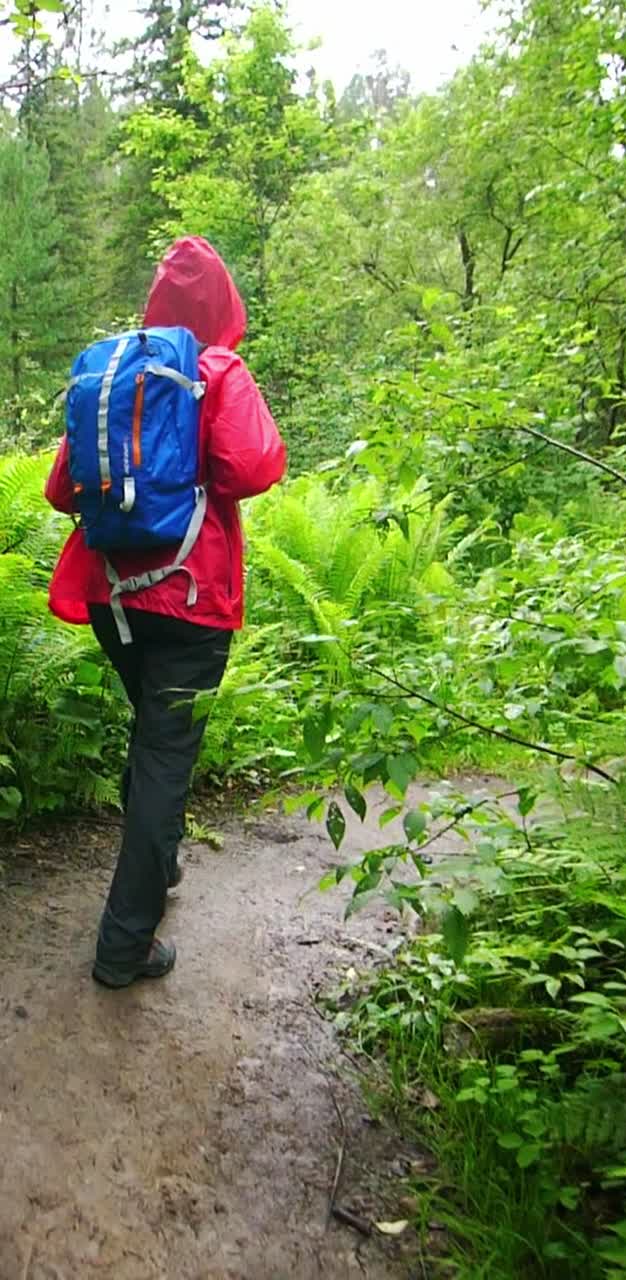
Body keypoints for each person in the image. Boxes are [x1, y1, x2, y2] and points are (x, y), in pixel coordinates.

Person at [45, 236, 286, 988]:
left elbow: (60, 490)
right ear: (225, 306)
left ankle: (159, 869)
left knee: (151, 743)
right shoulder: (214, 368)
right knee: (163, 761)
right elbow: (255, 467)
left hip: (114, 597)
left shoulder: (120, 371)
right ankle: (123, 947)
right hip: (192, 597)